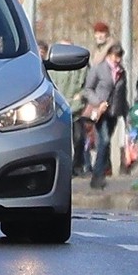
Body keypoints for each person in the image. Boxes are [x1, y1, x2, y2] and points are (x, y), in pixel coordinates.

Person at [82, 41, 128, 189]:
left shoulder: (121, 72)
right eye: (115, 56)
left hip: (114, 112)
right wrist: (98, 102)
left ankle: (100, 174)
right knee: (105, 140)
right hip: (100, 111)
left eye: (120, 56)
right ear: (109, 55)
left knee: (105, 143)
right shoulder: (98, 69)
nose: (117, 59)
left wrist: (126, 115)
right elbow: (88, 89)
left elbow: (122, 94)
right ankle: (97, 175)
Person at [55, 41, 89, 175]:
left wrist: (81, 95)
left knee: (79, 138)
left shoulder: (81, 66)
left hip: (77, 110)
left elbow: (87, 84)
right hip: (58, 109)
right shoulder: (53, 66)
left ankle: (77, 166)